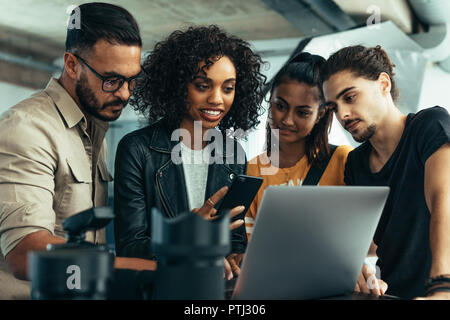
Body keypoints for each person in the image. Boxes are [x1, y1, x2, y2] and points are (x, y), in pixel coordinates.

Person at [0, 3, 154, 299]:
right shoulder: (25, 130)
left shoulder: (94, 125)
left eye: (132, 80)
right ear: (72, 65)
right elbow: (25, 252)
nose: (124, 93)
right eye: (111, 80)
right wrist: (135, 268)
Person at [113, 25, 266, 280]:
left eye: (228, 88)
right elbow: (129, 249)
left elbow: (234, 239)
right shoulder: (137, 149)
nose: (217, 99)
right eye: (202, 85)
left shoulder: (232, 153)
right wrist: (186, 237)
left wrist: (237, 257)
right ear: (176, 86)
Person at [321, 45, 450, 299]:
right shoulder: (356, 163)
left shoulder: (429, 126)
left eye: (350, 97)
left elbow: (443, 203)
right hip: (392, 294)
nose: (343, 115)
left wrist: (442, 286)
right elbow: (366, 241)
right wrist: (355, 266)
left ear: (383, 84)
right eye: (334, 107)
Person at [244, 52, 352, 258]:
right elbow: (248, 251)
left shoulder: (343, 161)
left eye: (302, 112)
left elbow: (371, 239)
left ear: (321, 114)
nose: (287, 120)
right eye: (280, 106)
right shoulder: (250, 172)